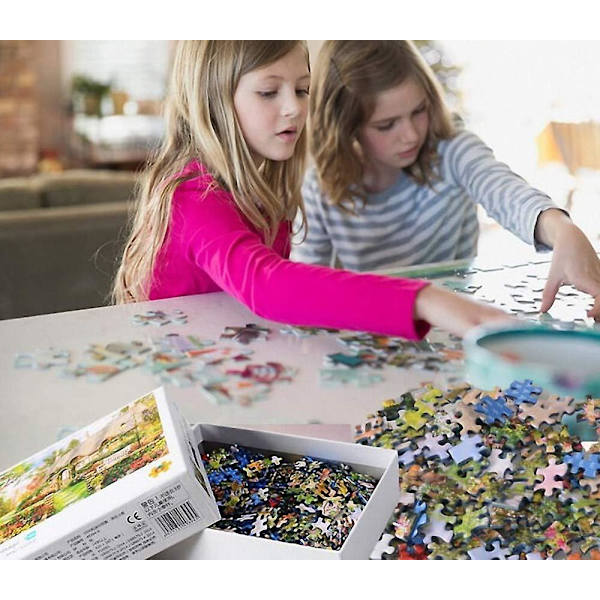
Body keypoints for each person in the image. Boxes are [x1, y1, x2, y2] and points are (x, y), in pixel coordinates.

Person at [112, 40, 512, 340]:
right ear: (213, 101)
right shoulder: (193, 197)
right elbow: (268, 286)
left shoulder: (259, 186)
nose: (294, 107)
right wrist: (424, 299)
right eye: (269, 92)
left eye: (302, 89)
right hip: (178, 381)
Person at [295, 40, 600, 320]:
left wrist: (562, 230)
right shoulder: (320, 190)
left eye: (419, 111)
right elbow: (305, 289)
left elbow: (506, 193)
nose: (411, 135)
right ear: (346, 128)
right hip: (376, 328)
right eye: (386, 125)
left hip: (459, 323)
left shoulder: (453, 151)